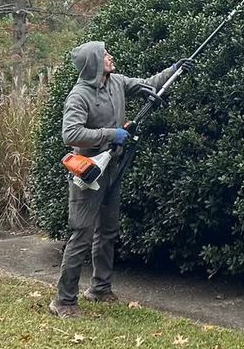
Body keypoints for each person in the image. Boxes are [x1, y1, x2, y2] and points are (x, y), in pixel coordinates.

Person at [49, 40, 194, 318]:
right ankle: (64, 301)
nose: (110, 56)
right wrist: (109, 134)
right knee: (81, 234)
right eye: (105, 55)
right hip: (89, 173)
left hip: (112, 168)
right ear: (94, 63)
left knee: (108, 230)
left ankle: (100, 289)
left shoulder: (116, 81)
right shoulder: (79, 96)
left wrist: (175, 69)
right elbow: (71, 134)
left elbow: (148, 84)